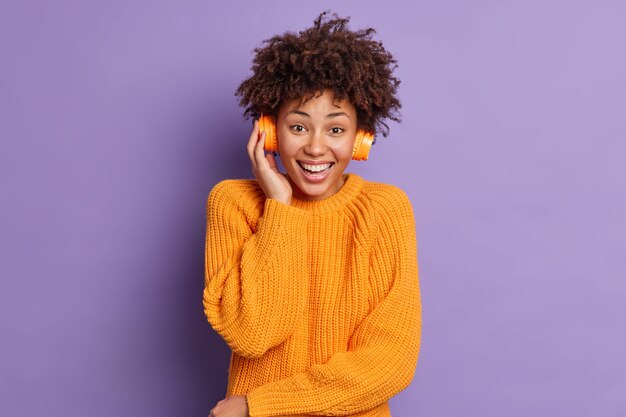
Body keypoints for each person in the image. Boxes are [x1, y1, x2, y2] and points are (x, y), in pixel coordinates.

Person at [204, 11, 421, 417]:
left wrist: (259, 405)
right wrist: (279, 208)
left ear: (360, 138)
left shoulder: (385, 210)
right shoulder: (233, 203)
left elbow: (390, 361)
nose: (316, 148)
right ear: (269, 130)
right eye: (299, 127)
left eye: (335, 130)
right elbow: (254, 334)